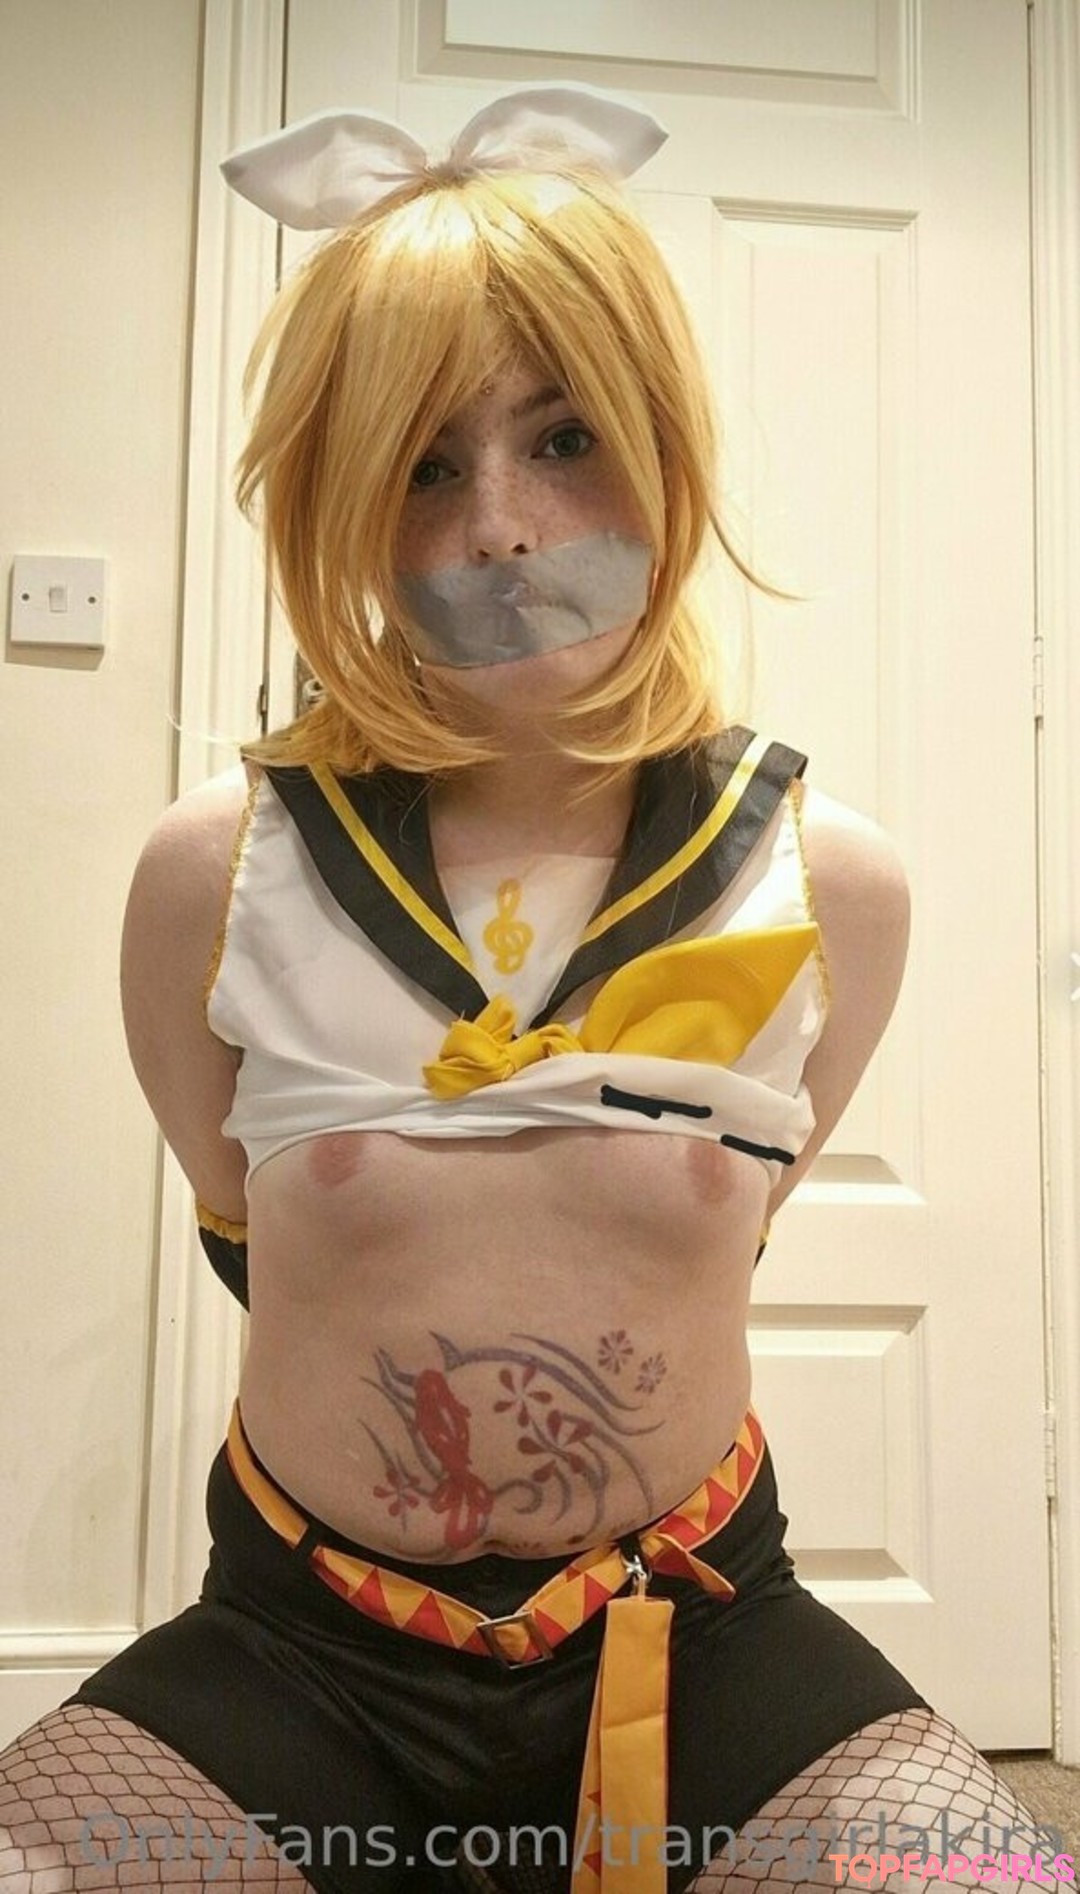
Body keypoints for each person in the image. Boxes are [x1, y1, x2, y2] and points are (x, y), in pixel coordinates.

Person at [0, 83, 1070, 1894]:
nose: (500, 526)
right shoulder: (216, 872)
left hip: (703, 1629)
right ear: (342, 509)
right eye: (425, 468)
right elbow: (240, 1210)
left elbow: (733, 1228)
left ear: (666, 449)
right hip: (298, 1652)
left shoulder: (833, 887)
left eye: (564, 438)